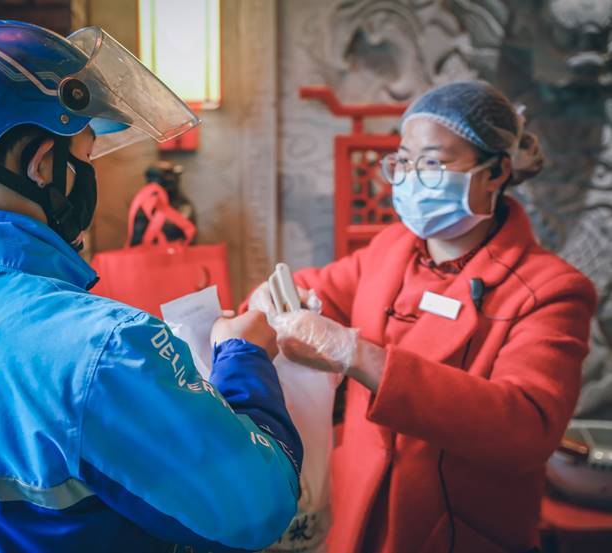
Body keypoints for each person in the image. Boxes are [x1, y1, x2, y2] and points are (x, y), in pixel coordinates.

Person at [0, 20, 302, 553]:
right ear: (40, 165)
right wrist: (243, 356)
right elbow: (257, 507)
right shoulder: (104, 347)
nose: (86, 173)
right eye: (84, 154)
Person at [251, 81, 596, 553]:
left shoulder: (550, 291)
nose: (411, 177)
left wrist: (356, 355)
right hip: (357, 513)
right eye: (404, 160)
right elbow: (323, 287)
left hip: (455, 529)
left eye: (432, 162)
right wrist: (272, 299)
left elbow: (526, 429)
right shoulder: (392, 247)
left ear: (496, 171)